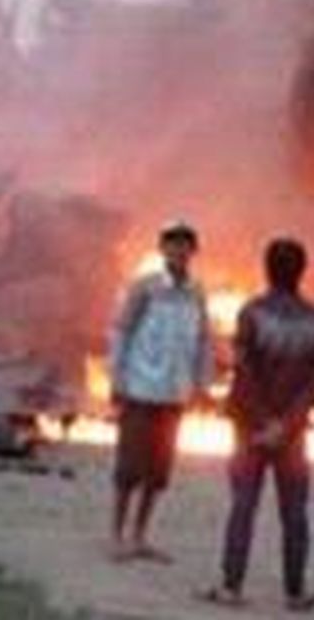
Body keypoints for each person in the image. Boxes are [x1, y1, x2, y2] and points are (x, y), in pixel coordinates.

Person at [200, 238, 314, 612]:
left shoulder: (252, 313)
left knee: (243, 504)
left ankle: (231, 585)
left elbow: (244, 372)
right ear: (302, 271)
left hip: (250, 428)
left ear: (267, 268)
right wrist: (288, 423)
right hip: (292, 434)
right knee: (294, 511)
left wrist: (264, 421)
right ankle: (295, 591)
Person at [108, 221, 211, 562]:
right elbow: (122, 333)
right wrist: (117, 381)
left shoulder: (197, 293)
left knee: (158, 471)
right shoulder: (145, 288)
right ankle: (116, 535)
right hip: (140, 389)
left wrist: (201, 384)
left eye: (185, 245)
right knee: (129, 468)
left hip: (174, 394)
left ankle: (140, 536)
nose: (179, 251)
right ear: (162, 249)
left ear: (193, 251)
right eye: (173, 244)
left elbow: (203, 341)